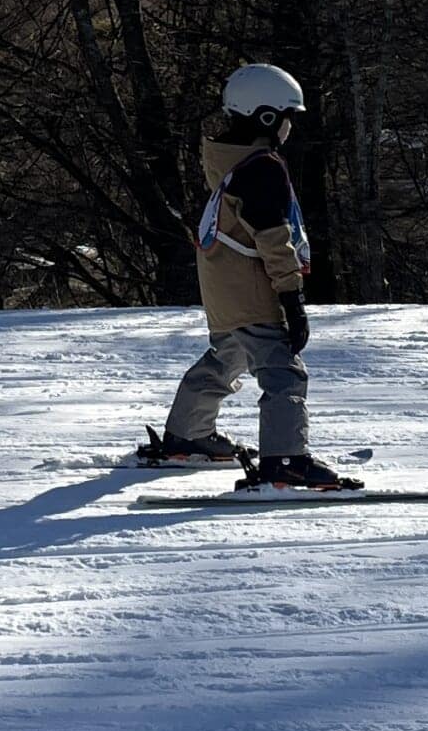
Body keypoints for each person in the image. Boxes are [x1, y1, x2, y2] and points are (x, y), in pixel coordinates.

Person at [150, 64, 360, 490]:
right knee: (284, 372)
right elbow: (272, 239)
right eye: (287, 118)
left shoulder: (228, 159)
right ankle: (285, 460)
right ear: (267, 117)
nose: (289, 128)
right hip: (250, 286)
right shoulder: (262, 167)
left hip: (222, 287)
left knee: (227, 357)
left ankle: (187, 434)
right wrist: (291, 299)